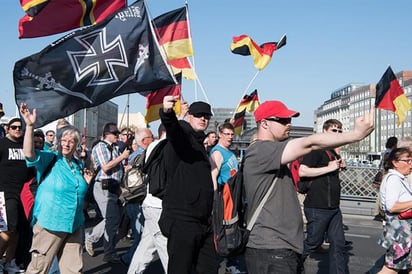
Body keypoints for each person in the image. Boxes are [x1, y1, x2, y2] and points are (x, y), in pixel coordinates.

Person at [242, 100, 374, 274]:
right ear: (264, 123)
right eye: (282, 120)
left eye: (290, 120)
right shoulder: (261, 150)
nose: (288, 124)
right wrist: (355, 134)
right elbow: (310, 144)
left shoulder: (272, 153)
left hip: (283, 249)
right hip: (271, 249)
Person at [20, 103, 93, 273]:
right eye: (64, 140)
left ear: (76, 145)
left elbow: (77, 192)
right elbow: (29, 153)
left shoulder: (77, 165)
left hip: (74, 224)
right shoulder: (51, 159)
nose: (67, 144)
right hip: (50, 223)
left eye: (71, 141)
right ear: (59, 142)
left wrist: (86, 184)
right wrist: (30, 126)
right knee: (39, 269)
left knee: (73, 270)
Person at [158, 96, 218, 274]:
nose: (203, 119)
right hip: (183, 219)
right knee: (181, 269)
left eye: (206, 116)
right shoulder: (184, 134)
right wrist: (168, 113)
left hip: (201, 221)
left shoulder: (198, 143)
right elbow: (174, 131)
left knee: (208, 267)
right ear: (189, 116)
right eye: (198, 114)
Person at [298, 119, 349, 274]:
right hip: (317, 206)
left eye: (340, 131)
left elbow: (328, 176)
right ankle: (291, 264)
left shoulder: (332, 152)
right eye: (334, 130)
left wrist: (338, 167)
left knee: (338, 244)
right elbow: (303, 171)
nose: (338, 133)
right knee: (313, 242)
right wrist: (329, 168)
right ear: (324, 131)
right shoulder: (316, 150)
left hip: (333, 207)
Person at [84, 122, 130, 263]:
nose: (117, 136)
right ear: (106, 135)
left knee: (114, 218)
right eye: (115, 134)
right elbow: (105, 167)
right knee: (111, 218)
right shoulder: (101, 147)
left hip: (113, 186)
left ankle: (95, 239)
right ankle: (102, 247)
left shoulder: (115, 148)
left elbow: (117, 168)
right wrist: (121, 158)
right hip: (104, 186)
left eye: (118, 133)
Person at [128, 124, 169, 274]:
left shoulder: (155, 146)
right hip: (157, 205)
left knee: (146, 248)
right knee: (166, 249)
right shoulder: (160, 146)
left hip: (152, 205)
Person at [209, 122, 247, 273]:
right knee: (226, 233)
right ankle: (231, 266)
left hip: (234, 199)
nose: (230, 137)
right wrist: (214, 201)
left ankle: (232, 265)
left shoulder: (230, 152)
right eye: (227, 134)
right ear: (220, 134)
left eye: (232, 134)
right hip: (224, 200)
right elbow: (213, 177)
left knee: (233, 231)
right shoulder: (217, 152)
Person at [0, 116, 35, 273]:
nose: (17, 130)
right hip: (5, 192)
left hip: (23, 194)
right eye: (14, 127)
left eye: (20, 127)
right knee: (9, 229)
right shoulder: (2, 144)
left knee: (18, 229)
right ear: (7, 128)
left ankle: (9, 262)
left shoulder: (25, 145)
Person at [121, 128, 153, 266]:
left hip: (135, 199)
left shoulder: (135, 155)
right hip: (136, 198)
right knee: (141, 235)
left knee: (142, 235)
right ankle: (129, 260)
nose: (154, 139)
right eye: (151, 137)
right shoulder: (142, 156)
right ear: (144, 140)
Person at [377, 147, 412, 274]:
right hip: (399, 233)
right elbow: (392, 206)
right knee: (391, 269)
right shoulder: (393, 179)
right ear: (395, 163)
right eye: (407, 161)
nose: (410, 164)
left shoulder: (399, 178)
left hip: (404, 232)